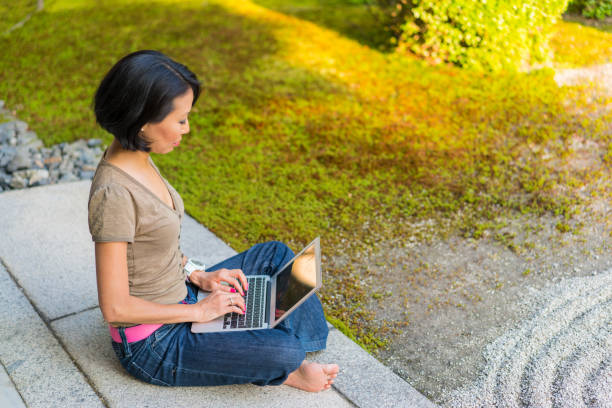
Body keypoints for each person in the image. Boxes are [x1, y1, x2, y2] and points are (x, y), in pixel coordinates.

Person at [88, 49, 339, 391]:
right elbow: (115, 307)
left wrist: (200, 275)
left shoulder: (139, 154)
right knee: (285, 349)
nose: (187, 129)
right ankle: (284, 357)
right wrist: (199, 313)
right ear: (143, 120)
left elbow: (150, 247)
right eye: (180, 120)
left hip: (183, 294)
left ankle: (269, 340)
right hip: (154, 342)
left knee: (277, 256)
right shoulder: (114, 193)